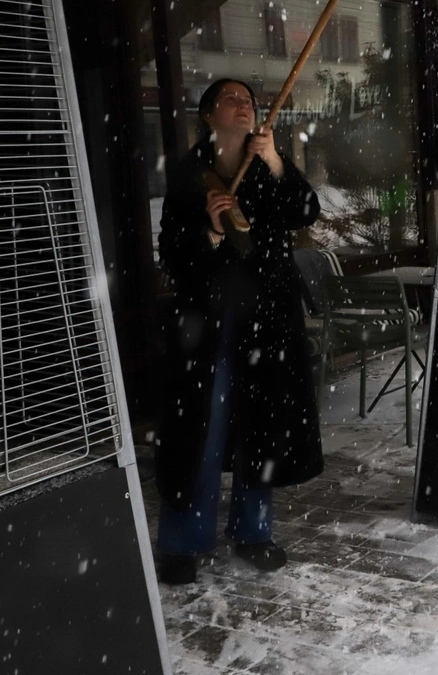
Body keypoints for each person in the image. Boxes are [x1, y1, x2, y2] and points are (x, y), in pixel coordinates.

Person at [155, 78, 323, 585]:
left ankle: (254, 532)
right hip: (206, 326)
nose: (243, 105)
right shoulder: (189, 175)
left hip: (266, 322)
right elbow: (173, 254)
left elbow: (306, 211)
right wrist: (209, 230)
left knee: (260, 428)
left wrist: (274, 160)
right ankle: (183, 541)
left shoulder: (268, 165)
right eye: (230, 98)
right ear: (208, 115)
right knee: (200, 433)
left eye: (248, 100)